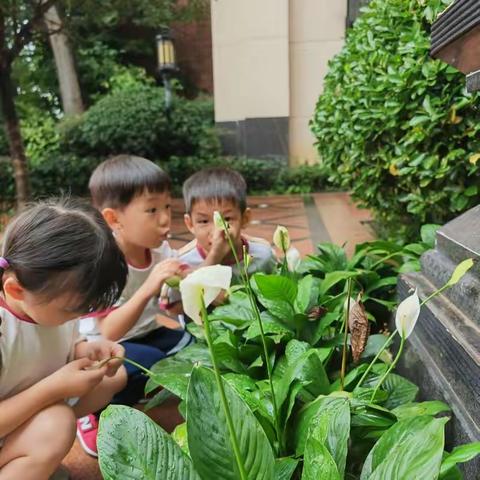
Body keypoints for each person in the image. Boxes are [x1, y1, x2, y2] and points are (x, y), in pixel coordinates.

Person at [0, 198, 128, 480]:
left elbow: (57, 345)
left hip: (21, 415)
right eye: (73, 310)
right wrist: (53, 389)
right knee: (56, 427)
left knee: (112, 378)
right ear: (17, 290)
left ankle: (32, 455)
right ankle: (32, 453)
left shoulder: (46, 303)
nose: (81, 316)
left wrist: (88, 349)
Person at [80, 155, 195, 422]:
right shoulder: (104, 263)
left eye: (167, 206)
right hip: (105, 345)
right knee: (150, 362)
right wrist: (149, 287)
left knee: (193, 346)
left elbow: (173, 306)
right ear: (113, 219)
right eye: (152, 210)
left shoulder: (160, 251)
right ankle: (91, 412)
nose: (165, 219)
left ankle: (140, 387)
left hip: (146, 332)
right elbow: (109, 329)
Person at [179, 167, 276, 280]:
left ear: (245, 219)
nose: (216, 232)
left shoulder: (262, 256)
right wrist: (215, 256)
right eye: (204, 221)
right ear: (190, 224)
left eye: (227, 219)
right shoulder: (183, 264)